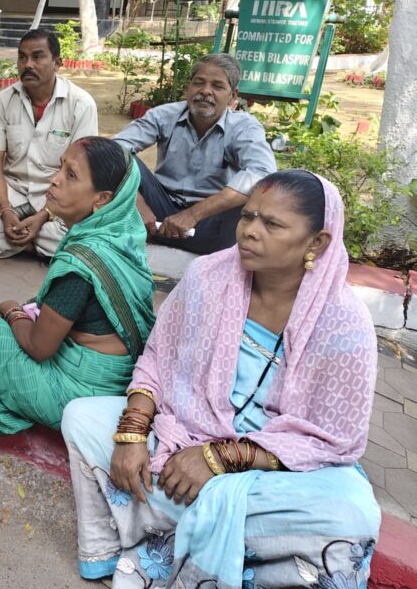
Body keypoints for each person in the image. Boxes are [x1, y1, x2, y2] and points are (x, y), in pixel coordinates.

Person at [61, 170, 379, 587]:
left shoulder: (344, 322)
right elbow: (157, 357)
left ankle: (186, 539)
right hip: (184, 434)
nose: (250, 231)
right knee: (82, 418)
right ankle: (121, 545)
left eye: (272, 224)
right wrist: (132, 433)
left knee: (352, 513)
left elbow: (333, 439)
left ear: (316, 242)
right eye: (247, 216)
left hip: (275, 467)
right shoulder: (207, 276)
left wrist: (221, 459)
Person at [0, 138, 155, 470]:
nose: (55, 179)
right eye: (60, 167)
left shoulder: (81, 265)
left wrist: (12, 310)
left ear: (102, 199)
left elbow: (38, 348)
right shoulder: (124, 238)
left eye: (71, 175)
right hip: (112, 386)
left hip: (72, 395)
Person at [0, 29, 98, 258]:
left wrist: (44, 215)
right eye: (22, 57)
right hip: (14, 191)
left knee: (87, 233)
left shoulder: (81, 104)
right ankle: (36, 245)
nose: (27, 64)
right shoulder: (4, 100)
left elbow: (78, 175)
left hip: (59, 196)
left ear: (57, 63)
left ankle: (19, 240)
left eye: (37, 56)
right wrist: (5, 210)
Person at [113, 53, 276, 254]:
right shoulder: (164, 115)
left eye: (217, 86)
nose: (205, 91)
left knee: (251, 190)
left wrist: (193, 215)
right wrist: (137, 203)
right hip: (158, 212)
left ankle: (222, 255)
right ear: (187, 88)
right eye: (199, 83)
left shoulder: (243, 126)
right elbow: (112, 150)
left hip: (210, 223)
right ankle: (135, 230)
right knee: (117, 159)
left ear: (233, 95)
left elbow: (263, 172)